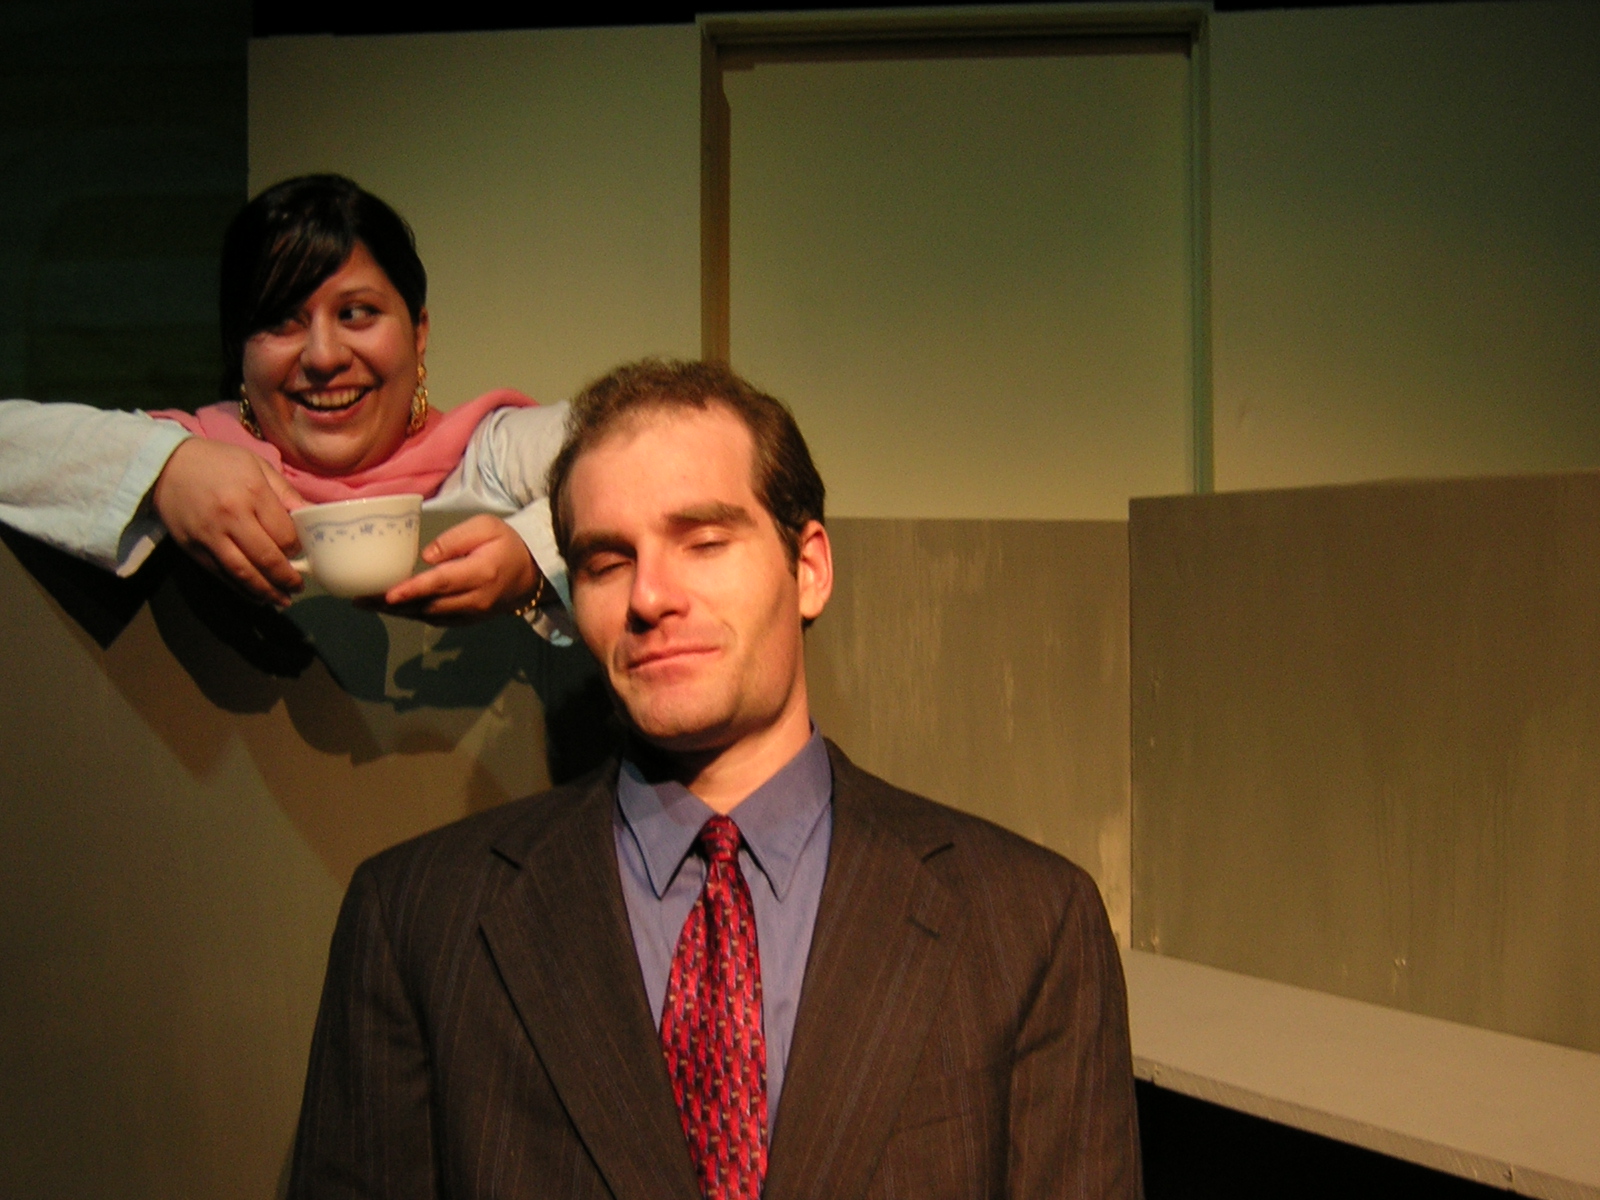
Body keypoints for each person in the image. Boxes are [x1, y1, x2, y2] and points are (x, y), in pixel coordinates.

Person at [289, 358, 1142, 1198]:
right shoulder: (418, 920)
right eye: (605, 562)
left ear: (809, 569)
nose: (649, 596)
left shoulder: (1027, 924)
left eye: (702, 541)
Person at [0, 175, 570, 633]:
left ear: (418, 332)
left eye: (356, 314)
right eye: (280, 320)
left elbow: (629, 454)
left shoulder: (489, 455)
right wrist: (164, 468)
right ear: (239, 349)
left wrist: (534, 555)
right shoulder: (192, 457)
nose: (323, 356)